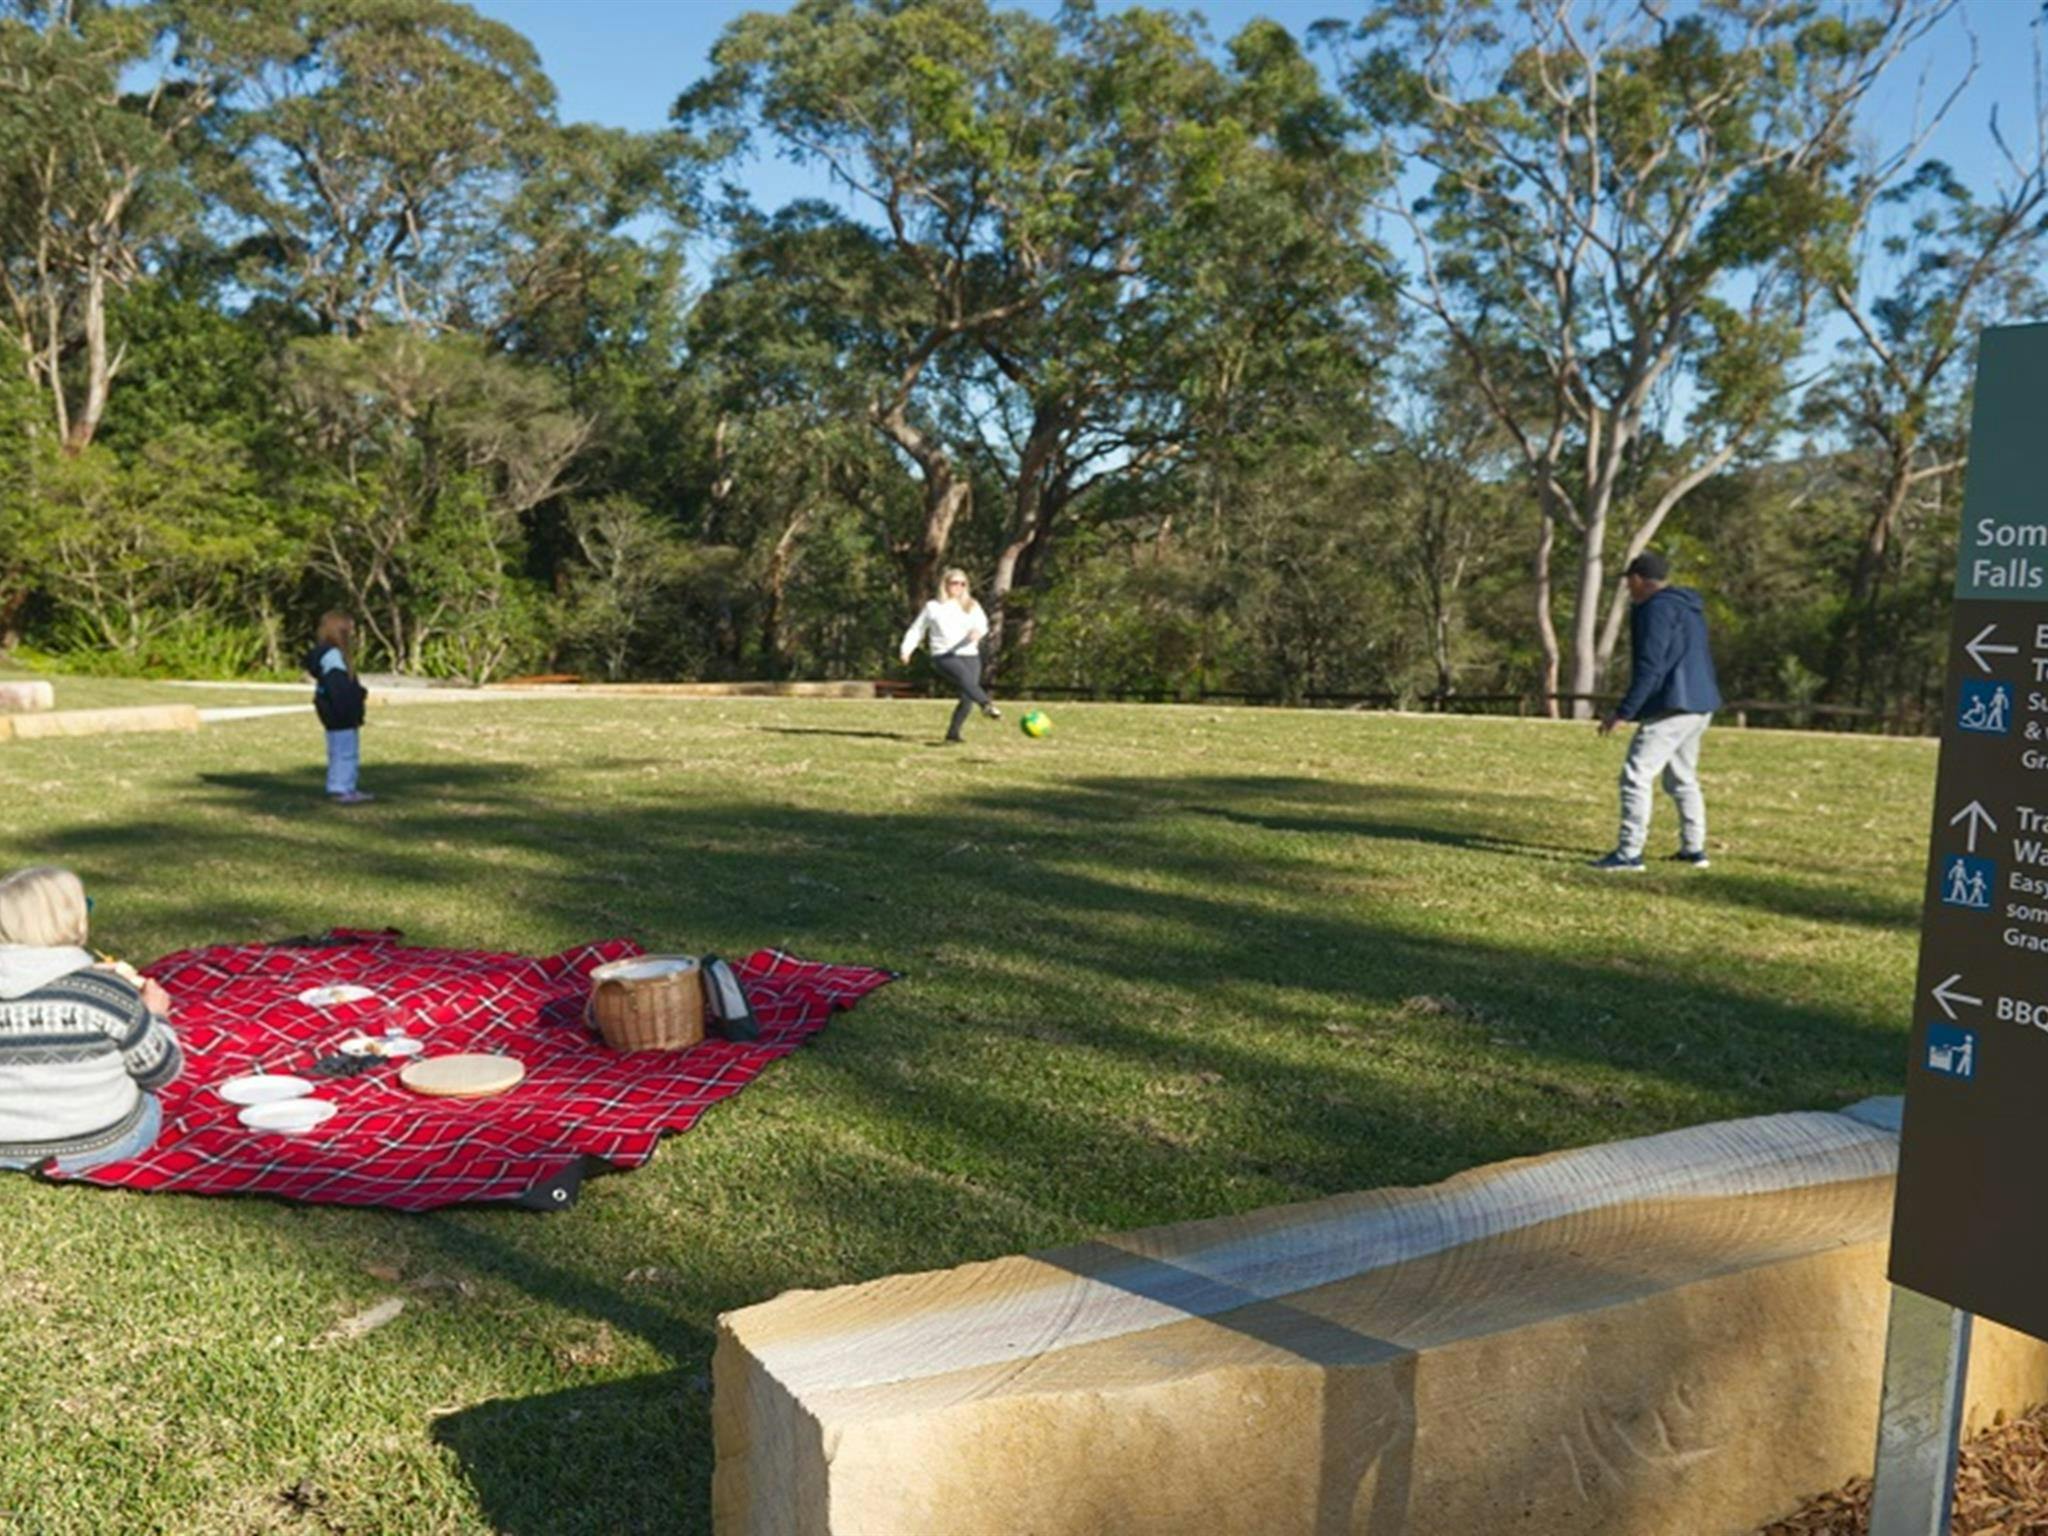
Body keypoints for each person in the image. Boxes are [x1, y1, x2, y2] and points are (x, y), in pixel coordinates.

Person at [0, 866, 182, 1174]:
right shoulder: (108, 994)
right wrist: (156, 1017)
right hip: (99, 1145)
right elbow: (162, 1071)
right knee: (148, 1101)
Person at [1591, 551, 1722, 871]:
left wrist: (1624, 712)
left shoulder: (1654, 609)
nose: (1627, 589)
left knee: (1636, 775)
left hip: (1672, 705)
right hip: (1700, 704)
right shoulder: (1688, 606)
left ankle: (1628, 854)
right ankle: (1694, 849)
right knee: (1682, 778)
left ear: (1637, 580)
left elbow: (1651, 666)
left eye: (1628, 582)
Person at [899, 568, 1001, 743]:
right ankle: (986, 704)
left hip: (969, 654)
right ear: (945, 585)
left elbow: (983, 625)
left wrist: (978, 632)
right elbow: (917, 630)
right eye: (955, 583)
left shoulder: (972, 605)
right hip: (943, 655)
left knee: (967, 695)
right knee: (966, 681)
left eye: (963, 584)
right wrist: (906, 649)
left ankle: (953, 734)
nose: (959, 587)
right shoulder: (933, 607)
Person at [305, 610, 372, 804]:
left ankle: (343, 786)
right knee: (345, 751)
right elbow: (338, 685)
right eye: (350, 630)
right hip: (339, 711)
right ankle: (341, 788)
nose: (352, 635)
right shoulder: (333, 656)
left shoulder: (328, 654)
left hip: (332, 710)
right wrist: (353, 700)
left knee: (339, 749)